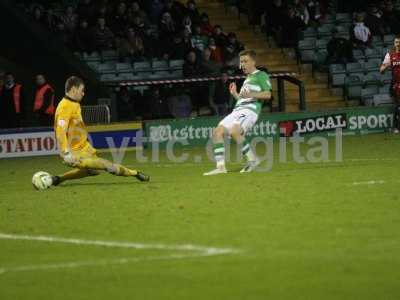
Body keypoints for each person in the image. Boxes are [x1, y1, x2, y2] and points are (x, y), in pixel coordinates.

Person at [50, 76, 149, 187]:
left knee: (92, 171)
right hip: (74, 152)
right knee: (106, 165)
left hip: (84, 147)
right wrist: (66, 153)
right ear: (73, 89)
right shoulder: (64, 107)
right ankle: (135, 173)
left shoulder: (74, 104)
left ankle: (57, 179)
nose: (83, 93)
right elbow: (60, 131)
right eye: (82, 90)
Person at [204, 50, 272, 175]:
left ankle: (253, 160)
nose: (242, 64)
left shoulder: (261, 75)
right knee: (217, 132)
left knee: (235, 131)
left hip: (250, 111)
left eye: (245, 61)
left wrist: (251, 94)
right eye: (241, 62)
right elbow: (243, 99)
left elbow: (268, 94)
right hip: (238, 110)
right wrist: (235, 94)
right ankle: (220, 167)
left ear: (253, 62)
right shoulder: (248, 79)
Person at [380, 35, 400, 133]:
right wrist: (386, 65)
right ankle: (396, 127)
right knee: (398, 105)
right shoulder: (390, 55)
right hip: (396, 84)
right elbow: (381, 70)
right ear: (394, 44)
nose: (398, 44)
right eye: (396, 42)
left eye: (399, 42)